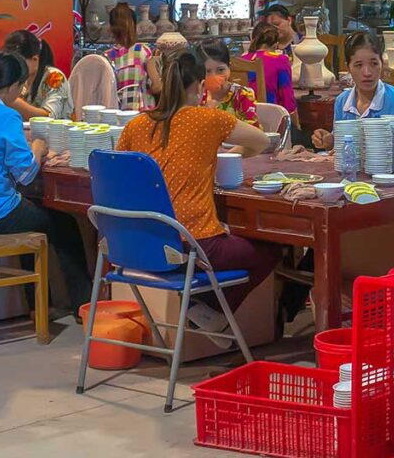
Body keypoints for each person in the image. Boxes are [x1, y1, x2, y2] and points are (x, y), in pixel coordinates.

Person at [115, 49, 279, 329]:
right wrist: (228, 154)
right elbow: (262, 141)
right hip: (193, 246)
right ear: (201, 86)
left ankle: (201, 309)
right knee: (272, 250)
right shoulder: (208, 120)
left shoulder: (136, 125)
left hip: (140, 246)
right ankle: (212, 311)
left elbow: (121, 170)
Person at [0, 52, 92, 311]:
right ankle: (81, 305)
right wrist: (38, 148)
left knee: (32, 214)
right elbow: (26, 175)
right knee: (63, 224)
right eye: (21, 87)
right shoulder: (6, 116)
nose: (22, 92)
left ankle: (38, 307)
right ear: (12, 87)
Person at [310, 31, 394, 149]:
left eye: (374, 64)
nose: (367, 73)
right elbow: (343, 145)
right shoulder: (342, 102)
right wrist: (330, 141)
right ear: (348, 68)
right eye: (358, 65)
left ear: (382, 64)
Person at [3, 30, 73, 120]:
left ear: (35, 59)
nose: (14, 67)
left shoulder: (55, 77)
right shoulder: (19, 78)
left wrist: (12, 100)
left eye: (18, 63)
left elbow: (49, 117)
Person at [199, 39, 259, 127]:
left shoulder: (243, 95)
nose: (214, 76)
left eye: (220, 70)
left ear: (229, 67)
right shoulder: (198, 96)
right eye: (207, 71)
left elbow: (252, 130)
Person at [104, 3, 153, 111]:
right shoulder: (143, 51)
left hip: (115, 114)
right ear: (134, 26)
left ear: (111, 28)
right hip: (142, 113)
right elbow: (156, 86)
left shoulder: (107, 56)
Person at [242, 23, 298, 115]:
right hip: (271, 116)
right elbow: (287, 95)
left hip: (244, 116)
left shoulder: (241, 60)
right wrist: (293, 117)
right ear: (276, 45)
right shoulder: (280, 60)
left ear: (253, 40)